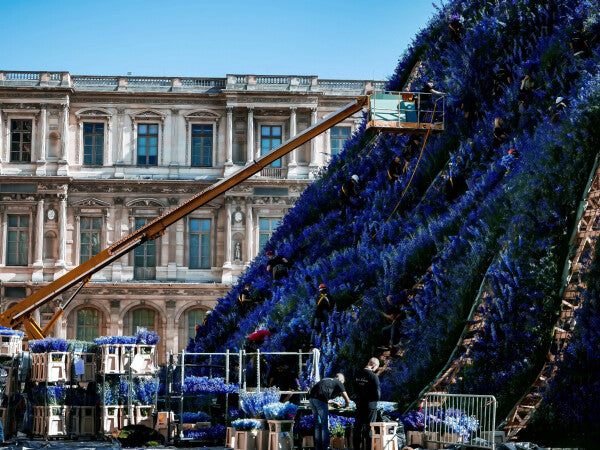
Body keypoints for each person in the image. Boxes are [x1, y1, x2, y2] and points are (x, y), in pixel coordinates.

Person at [308, 374, 351, 450]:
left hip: (311, 399)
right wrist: (347, 403)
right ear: (341, 380)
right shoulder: (338, 382)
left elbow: (321, 395)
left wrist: (335, 402)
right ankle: (325, 447)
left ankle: (318, 447)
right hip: (320, 400)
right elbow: (344, 395)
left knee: (318, 425)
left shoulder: (326, 380)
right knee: (324, 425)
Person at [353, 358, 381, 450]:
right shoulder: (373, 376)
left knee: (358, 428)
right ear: (373, 366)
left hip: (359, 404)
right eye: (376, 368)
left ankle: (356, 448)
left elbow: (354, 389)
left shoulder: (357, 373)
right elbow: (377, 394)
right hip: (370, 405)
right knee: (369, 429)